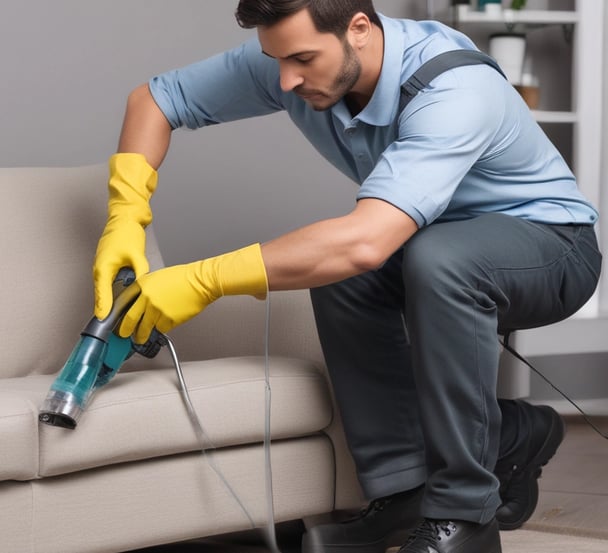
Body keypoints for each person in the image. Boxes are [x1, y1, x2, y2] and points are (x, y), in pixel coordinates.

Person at [92, 1, 602, 552]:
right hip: (430, 245)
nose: (286, 80)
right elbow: (154, 100)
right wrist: (125, 217)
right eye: (277, 59)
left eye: (303, 59)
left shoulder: (454, 88)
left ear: (359, 29)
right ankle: (410, 489)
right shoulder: (290, 58)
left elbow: (366, 241)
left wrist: (203, 281)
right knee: (341, 272)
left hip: (552, 249)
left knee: (407, 256)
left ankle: (466, 518)